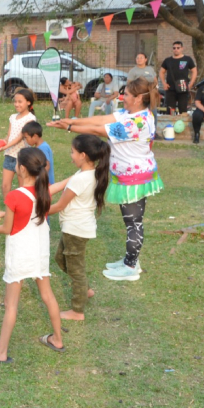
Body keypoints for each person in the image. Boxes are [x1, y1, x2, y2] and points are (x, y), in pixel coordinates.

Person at [48, 77, 163, 282]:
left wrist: (68, 127)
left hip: (134, 178)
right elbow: (102, 120)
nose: (122, 97)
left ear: (137, 99)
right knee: (130, 220)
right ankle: (130, 259)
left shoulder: (137, 122)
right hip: (128, 175)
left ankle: (131, 266)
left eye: (126, 94)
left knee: (133, 222)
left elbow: (98, 130)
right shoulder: (130, 114)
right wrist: (72, 121)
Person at [0, 148, 64, 363]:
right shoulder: (43, 191)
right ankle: (58, 339)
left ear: (21, 168)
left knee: (11, 304)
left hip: (20, 254)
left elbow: (6, 229)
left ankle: (0, 352)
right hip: (40, 252)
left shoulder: (14, 195)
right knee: (48, 295)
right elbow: (48, 196)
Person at [47, 134, 110, 321]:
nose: (70, 155)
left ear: (83, 155)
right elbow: (60, 185)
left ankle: (77, 311)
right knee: (60, 259)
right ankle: (84, 289)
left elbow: (59, 206)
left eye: (72, 152)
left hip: (76, 230)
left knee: (76, 270)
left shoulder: (81, 179)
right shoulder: (89, 173)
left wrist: (34, 211)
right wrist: (39, 191)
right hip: (75, 228)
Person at [0, 88, 37, 199]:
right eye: (15, 101)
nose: (16, 104)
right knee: (5, 186)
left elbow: (19, 138)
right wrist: (1, 142)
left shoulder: (30, 119)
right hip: (9, 155)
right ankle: (8, 208)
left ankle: (21, 208)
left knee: (22, 186)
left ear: (28, 102)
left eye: (20, 101)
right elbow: (9, 136)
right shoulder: (13, 117)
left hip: (22, 157)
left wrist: (4, 147)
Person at [160, 40, 197, 114]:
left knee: (183, 110)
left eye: (178, 48)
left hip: (183, 88)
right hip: (170, 88)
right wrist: (164, 83)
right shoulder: (168, 60)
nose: (176, 49)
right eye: (174, 48)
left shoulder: (187, 59)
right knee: (170, 111)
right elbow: (161, 72)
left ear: (182, 48)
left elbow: (194, 71)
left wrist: (191, 84)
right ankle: (171, 125)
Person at [22, 121, 54, 185]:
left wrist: (38, 180)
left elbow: (47, 166)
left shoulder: (42, 148)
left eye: (26, 138)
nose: (25, 140)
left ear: (35, 136)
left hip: (45, 184)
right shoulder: (41, 147)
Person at [192, 80, 204, 144]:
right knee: (196, 115)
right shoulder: (202, 88)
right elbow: (197, 102)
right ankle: (196, 134)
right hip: (202, 107)